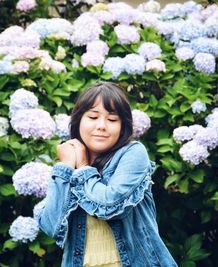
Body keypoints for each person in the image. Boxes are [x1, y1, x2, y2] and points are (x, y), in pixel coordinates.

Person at [38, 82, 178, 267]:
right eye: (93, 117)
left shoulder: (133, 153)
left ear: (122, 126)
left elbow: (110, 205)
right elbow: (51, 226)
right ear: (79, 120)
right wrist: (65, 167)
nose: (102, 126)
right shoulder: (69, 162)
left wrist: (82, 168)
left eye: (112, 120)